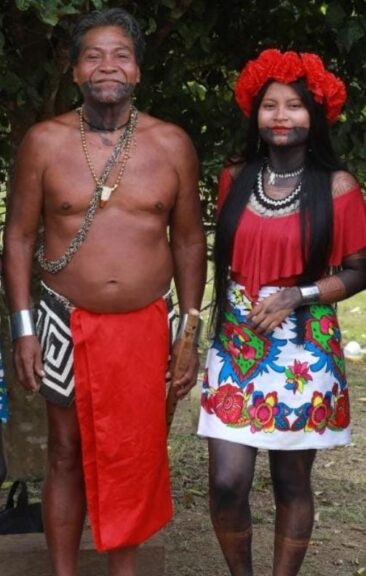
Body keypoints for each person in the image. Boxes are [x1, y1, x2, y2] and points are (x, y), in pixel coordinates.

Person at [3, 7, 206, 576]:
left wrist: (188, 332)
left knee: (133, 456)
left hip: (146, 324)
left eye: (120, 54)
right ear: (74, 72)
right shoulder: (44, 142)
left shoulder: (171, 144)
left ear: (138, 71)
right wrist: (23, 330)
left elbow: (190, 245)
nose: (107, 65)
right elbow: (17, 239)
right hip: (62, 321)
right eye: (92, 55)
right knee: (65, 453)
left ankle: (124, 572)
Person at [198, 49, 366, 576]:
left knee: (292, 480)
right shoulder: (235, 177)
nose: (281, 116)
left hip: (304, 345)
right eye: (270, 105)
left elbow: (361, 269)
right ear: (255, 112)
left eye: (294, 106)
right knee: (227, 481)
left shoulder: (338, 187)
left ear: (314, 116)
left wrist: (300, 295)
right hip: (238, 339)